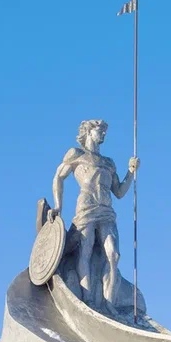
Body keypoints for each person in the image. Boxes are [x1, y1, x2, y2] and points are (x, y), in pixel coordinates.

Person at [51, 119, 139, 308]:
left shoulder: (108, 163)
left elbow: (119, 192)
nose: (104, 134)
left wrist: (131, 172)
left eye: (105, 131)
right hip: (86, 207)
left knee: (113, 255)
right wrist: (58, 206)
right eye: (100, 130)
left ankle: (109, 305)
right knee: (86, 250)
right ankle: (88, 299)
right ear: (89, 132)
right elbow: (59, 177)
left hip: (106, 210)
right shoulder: (76, 154)